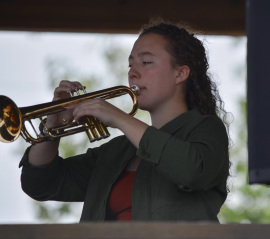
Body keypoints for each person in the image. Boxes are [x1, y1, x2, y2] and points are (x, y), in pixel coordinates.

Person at [19, 18, 231, 222]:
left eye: (146, 62)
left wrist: (119, 117)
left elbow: (193, 172)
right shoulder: (115, 151)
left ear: (180, 74)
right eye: (131, 65)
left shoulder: (206, 128)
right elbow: (40, 185)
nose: (133, 73)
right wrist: (52, 125)